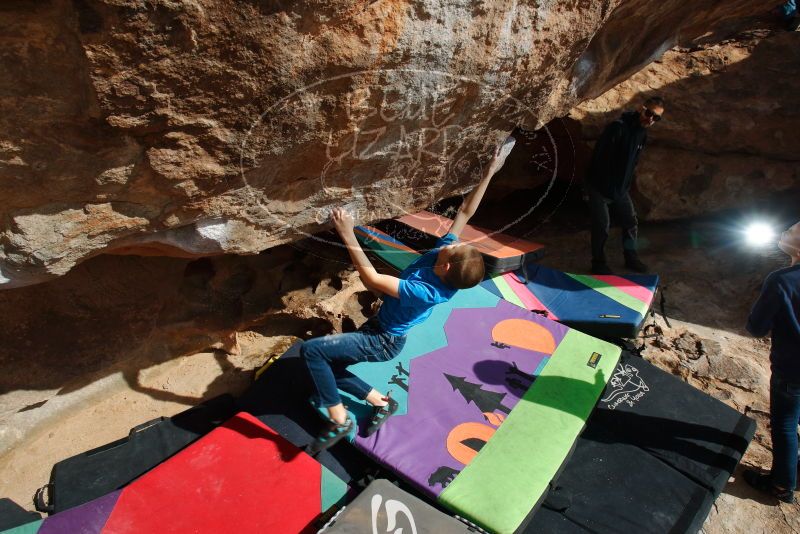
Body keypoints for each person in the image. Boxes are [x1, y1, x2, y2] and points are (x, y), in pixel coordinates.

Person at [301, 142, 511, 453]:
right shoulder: (443, 260)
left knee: (313, 353)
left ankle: (340, 419)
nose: (445, 242)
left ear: (446, 266)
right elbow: (465, 212)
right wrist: (489, 173)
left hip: (382, 341)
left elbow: (371, 278)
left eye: (449, 248)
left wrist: (348, 233)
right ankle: (382, 402)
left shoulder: (426, 291)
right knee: (332, 369)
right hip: (379, 328)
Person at [743, 220, 800, 504]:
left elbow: (756, 328)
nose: (786, 230)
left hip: (792, 368)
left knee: (786, 425)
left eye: (792, 230)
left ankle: (781, 485)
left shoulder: (781, 280)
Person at [584, 96, 665, 275]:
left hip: (620, 190)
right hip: (600, 187)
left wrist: (626, 186)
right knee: (601, 226)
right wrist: (590, 188)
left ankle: (631, 258)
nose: (650, 119)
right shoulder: (617, 128)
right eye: (649, 113)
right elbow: (598, 157)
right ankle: (598, 263)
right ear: (640, 108)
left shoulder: (642, 134)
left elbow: (633, 162)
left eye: (656, 118)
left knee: (630, 221)